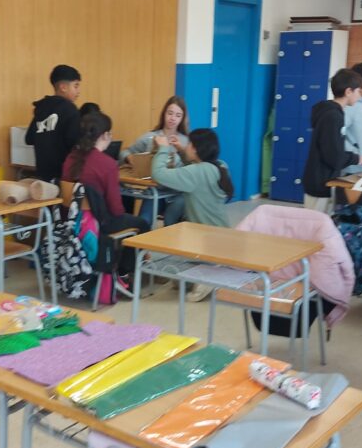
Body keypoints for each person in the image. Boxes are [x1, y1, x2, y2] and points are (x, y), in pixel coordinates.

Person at [151, 127, 235, 302]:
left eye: (189, 144)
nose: (186, 145)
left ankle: (210, 274)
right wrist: (182, 151)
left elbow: (159, 174)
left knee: (160, 258)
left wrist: (163, 149)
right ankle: (208, 269)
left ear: (196, 149)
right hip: (223, 236)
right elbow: (195, 172)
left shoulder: (197, 172)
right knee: (179, 280)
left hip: (206, 241)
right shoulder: (220, 165)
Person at [62, 111, 148, 278]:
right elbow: (116, 210)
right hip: (99, 223)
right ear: (105, 135)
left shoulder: (70, 158)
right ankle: (124, 272)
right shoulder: (107, 164)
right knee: (141, 223)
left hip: (72, 221)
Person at [302, 69, 362, 212]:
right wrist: (356, 158)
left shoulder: (331, 112)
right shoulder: (333, 116)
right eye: (358, 92)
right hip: (320, 183)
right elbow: (334, 157)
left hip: (323, 180)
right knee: (317, 224)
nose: (360, 96)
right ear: (348, 92)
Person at [120, 95, 190, 226]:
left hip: (178, 193)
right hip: (155, 190)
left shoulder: (186, 141)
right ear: (164, 113)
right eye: (170, 113)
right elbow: (125, 152)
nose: (173, 118)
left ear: (182, 118)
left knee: (171, 222)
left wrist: (182, 150)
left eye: (178, 115)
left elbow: (193, 167)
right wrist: (129, 158)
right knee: (144, 221)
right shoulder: (150, 137)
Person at [26, 64, 82, 181]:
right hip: (64, 176)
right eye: (76, 86)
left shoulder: (41, 108)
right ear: (63, 87)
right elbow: (75, 142)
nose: (79, 91)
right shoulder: (70, 109)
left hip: (43, 175)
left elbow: (29, 138)